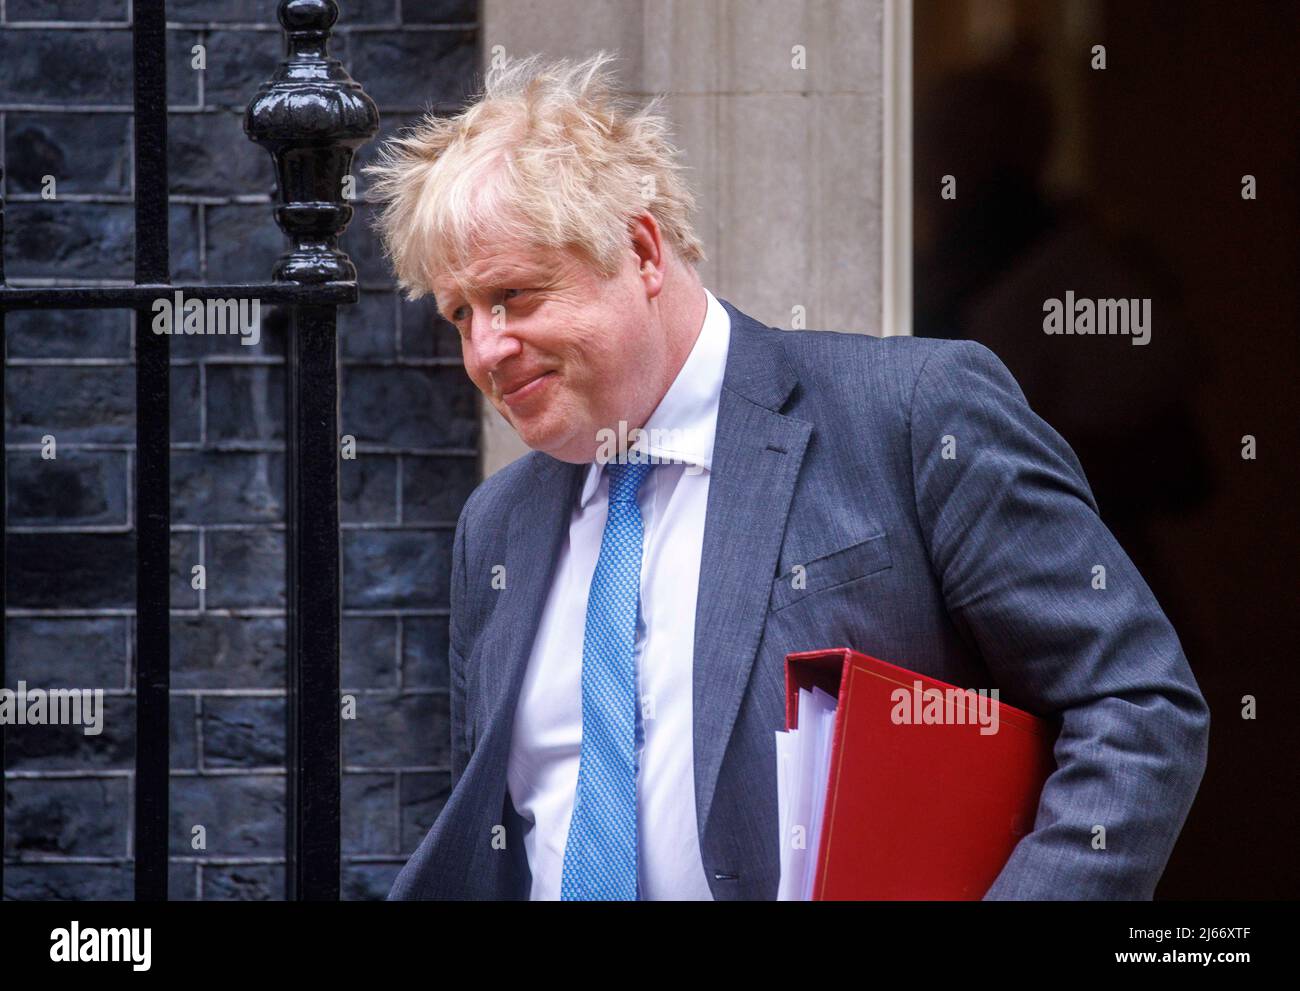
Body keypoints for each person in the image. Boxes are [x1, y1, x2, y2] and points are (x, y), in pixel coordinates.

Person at [364, 51, 1209, 901]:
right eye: (460, 313)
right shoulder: (495, 526)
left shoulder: (911, 414)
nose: (484, 349)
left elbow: (1136, 708)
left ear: (642, 248)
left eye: (515, 294)